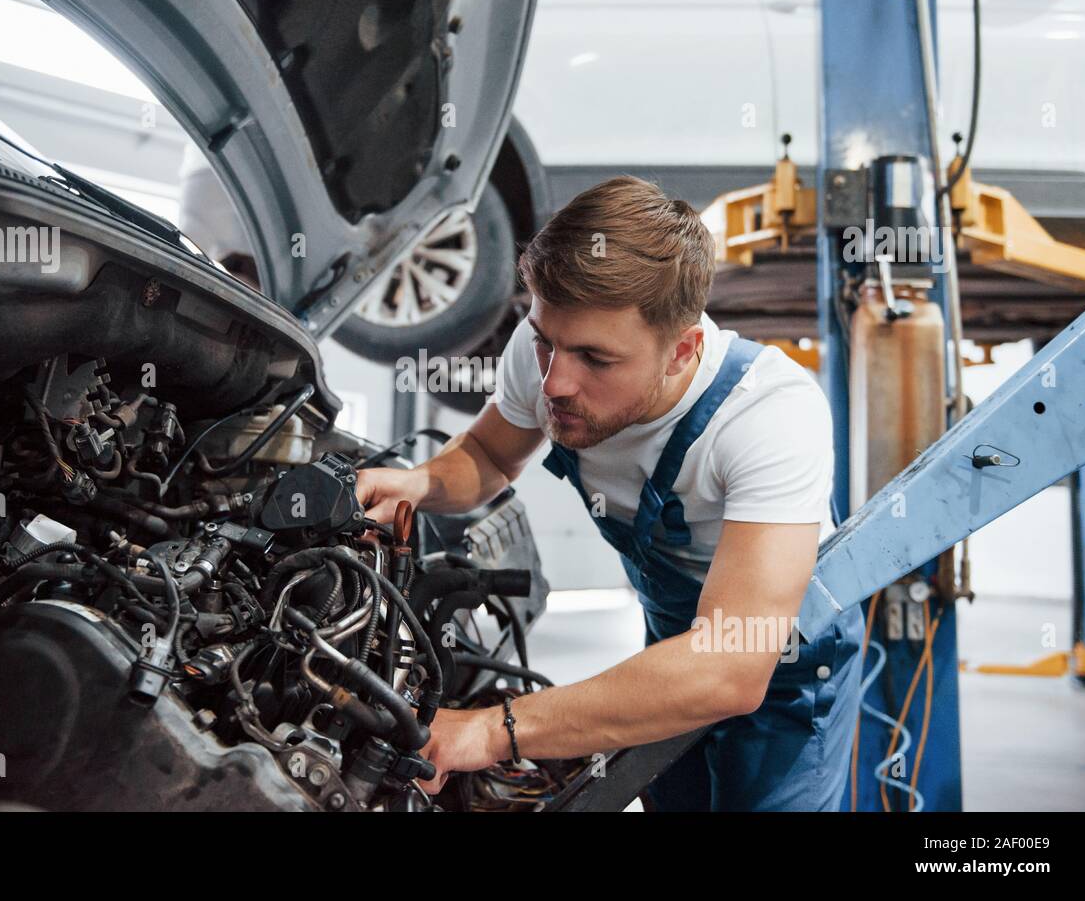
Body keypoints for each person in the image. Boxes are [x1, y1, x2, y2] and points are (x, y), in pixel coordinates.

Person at [356, 175, 864, 810]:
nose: (556, 383)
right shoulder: (546, 351)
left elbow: (729, 667)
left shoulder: (767, 415)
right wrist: (414, 485)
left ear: (682, 351)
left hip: (779, 670)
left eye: (595, 359)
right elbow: (488, 456)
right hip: (673, 650)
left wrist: (494, 731)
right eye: (545, 342)